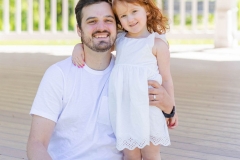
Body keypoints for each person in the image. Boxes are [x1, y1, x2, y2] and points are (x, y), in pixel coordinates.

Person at [27, 0, 177, 160]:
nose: (101, 27)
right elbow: (36, 143)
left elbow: (165, 87)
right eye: (92, 21)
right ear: (79, 29)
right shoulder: (59, 75)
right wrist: (78, 47)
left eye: (108, 20)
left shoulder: (132, 65)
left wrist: (170, 108)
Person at [71, 0, 178, 160]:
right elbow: (96, 44)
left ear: (147, 10)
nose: (130, 19)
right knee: (130, 154)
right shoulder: (120, 40)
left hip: (148, 108)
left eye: (134, 11)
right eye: (123, 15)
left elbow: (167, 79)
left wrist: (170, 108)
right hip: (124, 109)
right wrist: (78, 47)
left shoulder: (156, 44)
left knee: (151, 154)